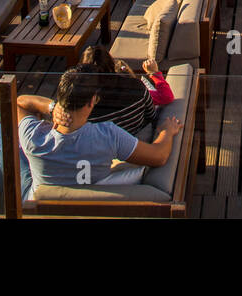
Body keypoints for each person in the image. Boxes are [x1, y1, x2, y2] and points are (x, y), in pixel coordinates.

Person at [16, 64, 182, 200]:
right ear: (92, 101)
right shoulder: (107, 136)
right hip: (89, 202)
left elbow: (19, 103)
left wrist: (51, 107)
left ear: (61, 98)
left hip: (42, 207)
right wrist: (167, 131)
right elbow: (159, 156)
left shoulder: (34, 138)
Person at [80, 46, 174, 134]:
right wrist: (154, 72)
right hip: (135, 138)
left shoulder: (84, 102)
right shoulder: (136, 87)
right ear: (112, 65)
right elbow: (153, 114)